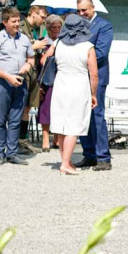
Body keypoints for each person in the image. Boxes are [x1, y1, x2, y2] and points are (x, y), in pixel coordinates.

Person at [43, 14, 99, 176]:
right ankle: (66, 164)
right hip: (79, 86)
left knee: (61, 125)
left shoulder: (58, 43)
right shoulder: (88, 46)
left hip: (60, 84)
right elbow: (93, 74)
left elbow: (44, 60)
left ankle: (64, 161)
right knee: (73, 126)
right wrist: (93, 93)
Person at [0, 7, 35, 166]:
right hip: (3, 83)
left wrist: (27, 66)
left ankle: (12, 153)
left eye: (18, 21)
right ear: (5, 22)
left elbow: (31, 59)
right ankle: (0, 153)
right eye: (13, 22)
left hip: (21, 82)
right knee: (1, 119)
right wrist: (7, 76)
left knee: (15, 120)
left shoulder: (25, 39)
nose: (17, 24)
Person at [75, 0, 114, 171]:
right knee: (82, 116)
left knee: (97, 116)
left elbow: (101, 52)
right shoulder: (76, 25)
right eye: (79, 10)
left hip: (96, 76)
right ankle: (89, 154)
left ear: (93, 7)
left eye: (85, 10)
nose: (82, 13)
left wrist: (78, 59)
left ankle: (103, 157)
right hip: (79, 76)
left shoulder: (104, 25)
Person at [19, 6, 52, 154]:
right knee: (19, 109)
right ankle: (16, 141)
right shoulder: (20, 27)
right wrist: (34, 46)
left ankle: (22, 141)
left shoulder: (33, 30)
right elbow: (15, 48)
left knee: (27, 108)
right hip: (22, 73)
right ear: (33, 13)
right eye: (42, 17)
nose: (43, 21)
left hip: (32, 75)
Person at [37, 15, 64, 151]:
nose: (57, 29)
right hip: (46, 81)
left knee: (59, 109)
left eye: (59, 27)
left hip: (60, 80)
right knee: (45, 109)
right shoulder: (41, 42)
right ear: (47, 28)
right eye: (54, 27)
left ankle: (57, 138)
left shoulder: (64, 42)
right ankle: (46, 138)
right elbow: (39, 63)